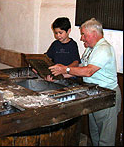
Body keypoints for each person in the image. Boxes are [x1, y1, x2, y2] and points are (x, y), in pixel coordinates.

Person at [48, 18, 121, 146]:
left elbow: (88, 71)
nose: (82, 38)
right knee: (94, 134)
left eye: (83, 34)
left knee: (105, 139)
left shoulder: (103, 49)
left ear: (94, 33)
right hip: (94, 93)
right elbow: (81, 67)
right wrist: (59, 74)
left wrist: (65, 69)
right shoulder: (90, 48)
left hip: (107, 95)